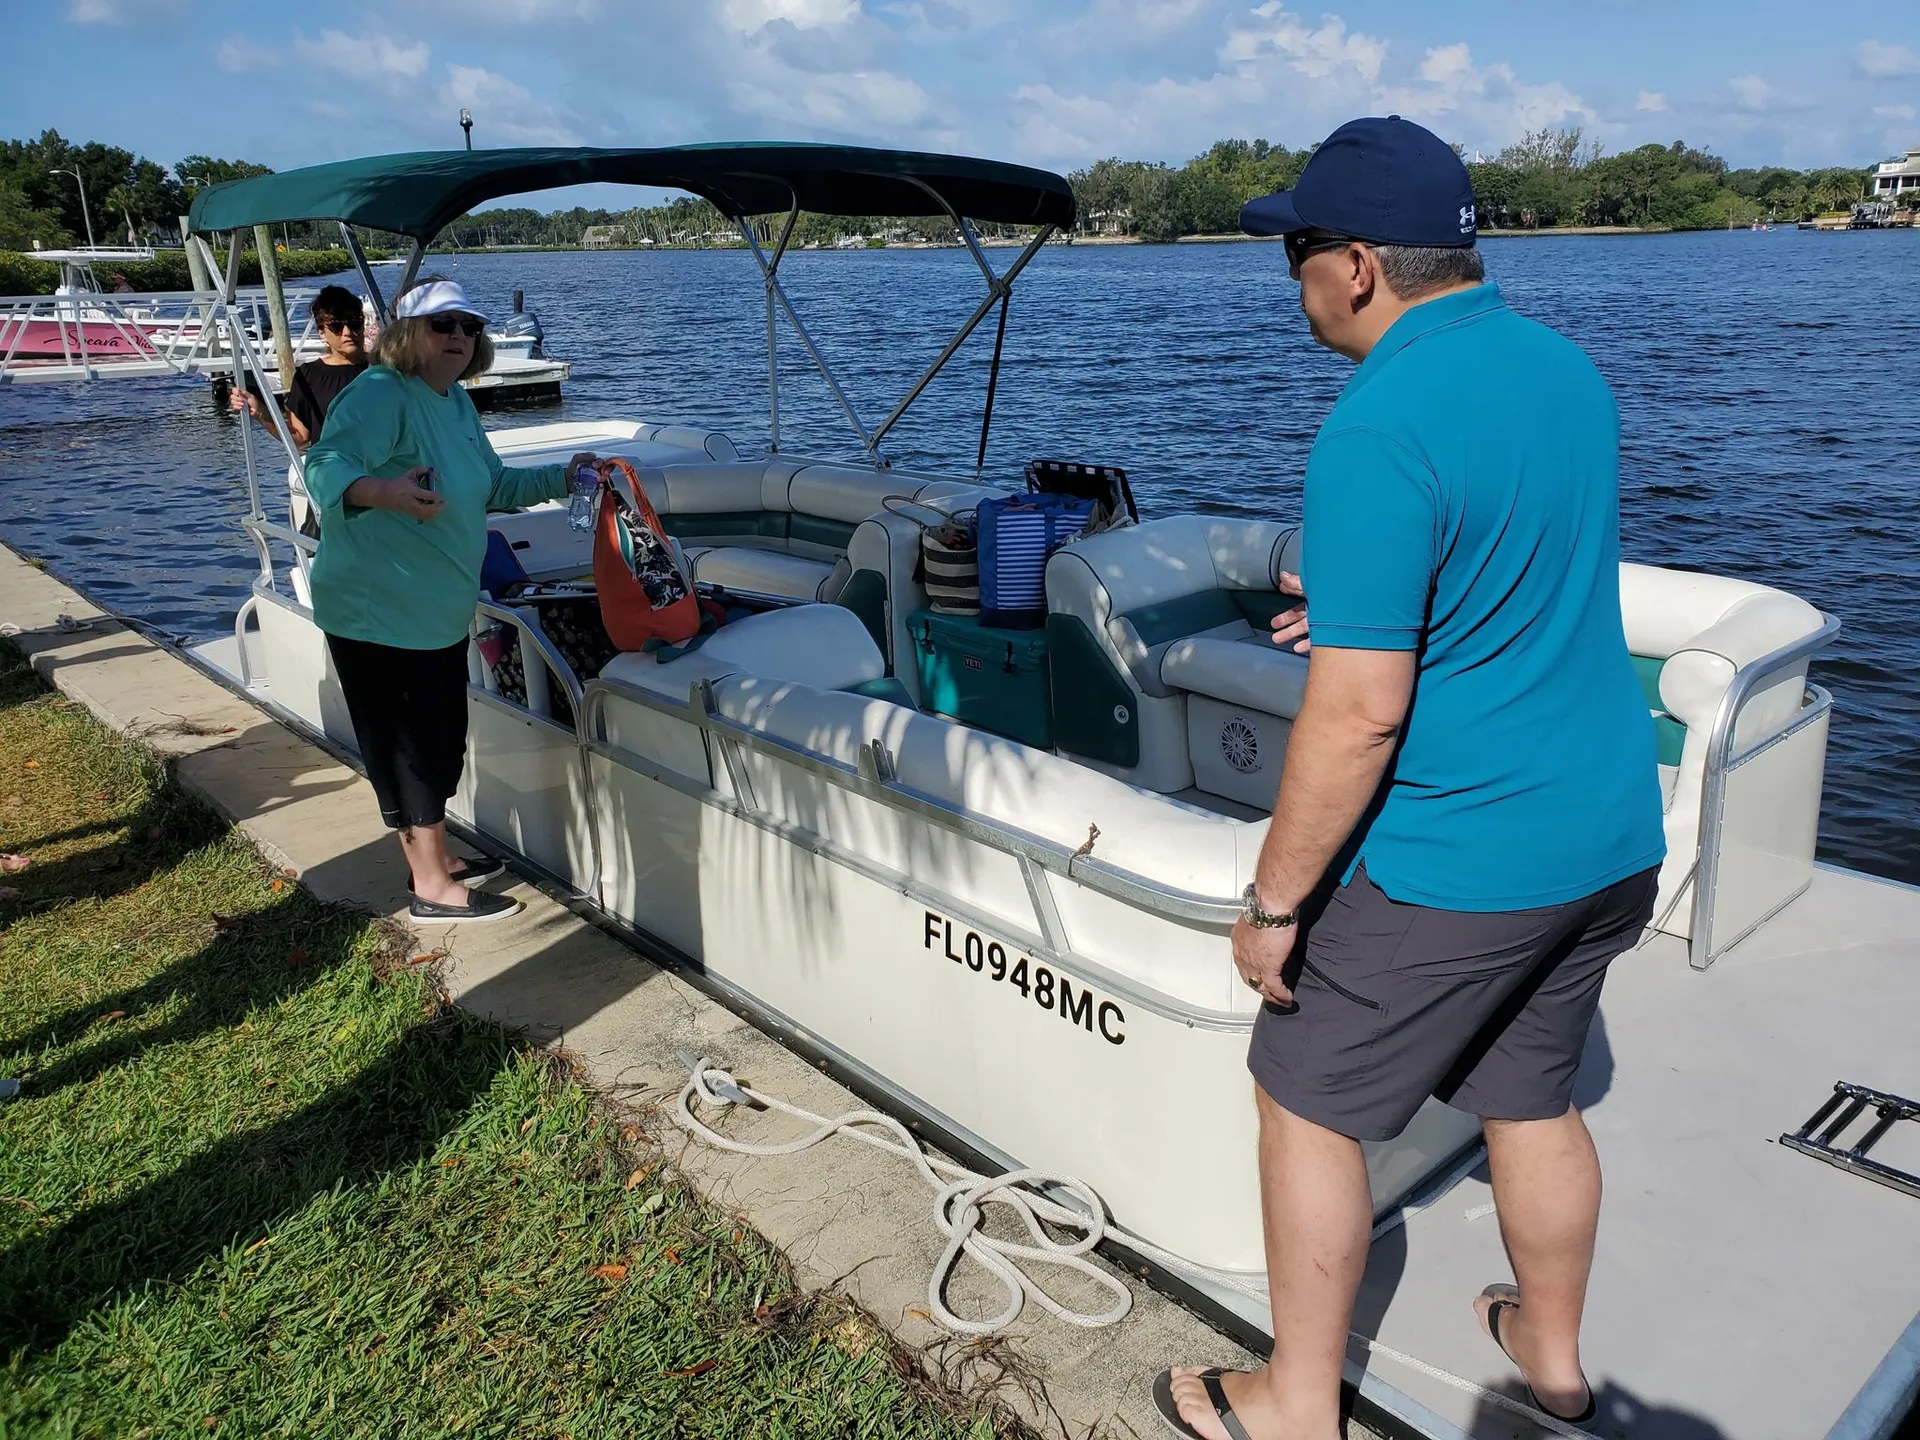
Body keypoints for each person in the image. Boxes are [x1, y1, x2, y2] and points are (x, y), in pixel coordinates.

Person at [1155, 117, 1665, 1440]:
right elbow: (1513, 568)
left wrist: (1273, 907)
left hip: (1466, 859)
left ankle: (1292, 1407)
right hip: (1607, 836)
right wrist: (1380, 609)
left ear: (1361, 266)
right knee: (1532, 1098)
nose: (1294, 280)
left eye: (1298, 254)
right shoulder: (1565, 371)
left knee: (1303, 1098)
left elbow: (1362, 720)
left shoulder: (1376, 425)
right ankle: (1553, 1371)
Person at [303, 276, 600, 925]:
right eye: (444, 326)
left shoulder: (454, 399)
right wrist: (382, 491)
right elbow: (323, 464)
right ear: (409, 334)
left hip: (434, 607)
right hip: (379, 606)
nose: (460, 338)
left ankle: (433, 860)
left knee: (442, 737)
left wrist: (568, 474)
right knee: (410, 743)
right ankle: (430, 886)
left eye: (470, 326)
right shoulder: (382, 392)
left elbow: (492, 484)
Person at [232, 285, 371, 536]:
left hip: (382, 481)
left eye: (355, 323)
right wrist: (261, 413)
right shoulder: (309, 376)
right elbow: (299, 436)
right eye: (337, 326)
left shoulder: (384, 371)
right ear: (322, 332)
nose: (348, 332)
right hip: (333, 483)